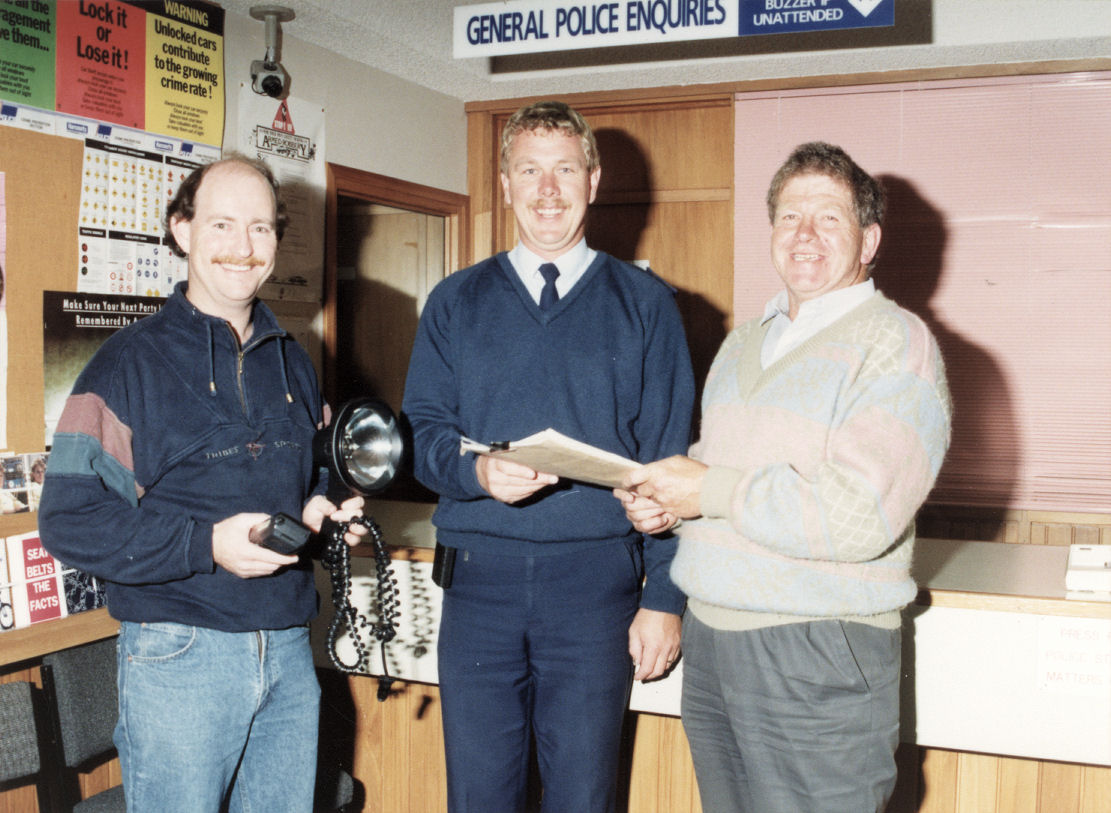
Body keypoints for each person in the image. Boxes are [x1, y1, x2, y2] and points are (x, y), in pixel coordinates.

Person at [615, 142, 952, 813]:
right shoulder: (743, 341)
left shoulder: (895, 343)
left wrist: (705, 490)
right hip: (712, 640)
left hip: (815, 646)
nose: (804, 234)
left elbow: (859, 513)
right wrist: (670, 504)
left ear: (868, 239)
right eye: (789, 216)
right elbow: (719, 475)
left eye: (828, 218)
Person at [39, 154, 366, 813]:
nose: (243, 248)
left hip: (287, 650)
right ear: (182, 230)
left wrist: (320, 508)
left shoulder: (294, 361)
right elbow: (68, 517)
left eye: (262, 228)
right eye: (222, 225)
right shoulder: (126, 363)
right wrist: (205, 544)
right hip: (179, 654)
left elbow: (316, 471)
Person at [402, 100, 695, 812]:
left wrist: (663, 597)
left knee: (582, 796)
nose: (547, 190)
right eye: (528, 171)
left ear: (592, 181)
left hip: (594, 587)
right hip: (480, 584)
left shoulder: (647, 304)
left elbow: (673, 464)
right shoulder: (454, 301)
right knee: (478, 796)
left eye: (564, 169)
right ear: (503, 184)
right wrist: (475, 472)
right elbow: (423, 434)